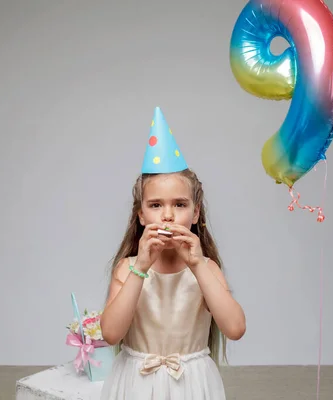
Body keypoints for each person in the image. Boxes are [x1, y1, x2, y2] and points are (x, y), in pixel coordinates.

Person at [100, 107, 246, 400]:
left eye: (179, 205)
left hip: (191, 384)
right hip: (136, 384)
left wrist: (197, 263)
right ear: (141, 216)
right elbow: (111, 334)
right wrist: (141, 266)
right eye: (155, 205)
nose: (167, 215)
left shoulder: (206, 268)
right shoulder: (127, 269)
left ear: (195, 213)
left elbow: (235, 328)